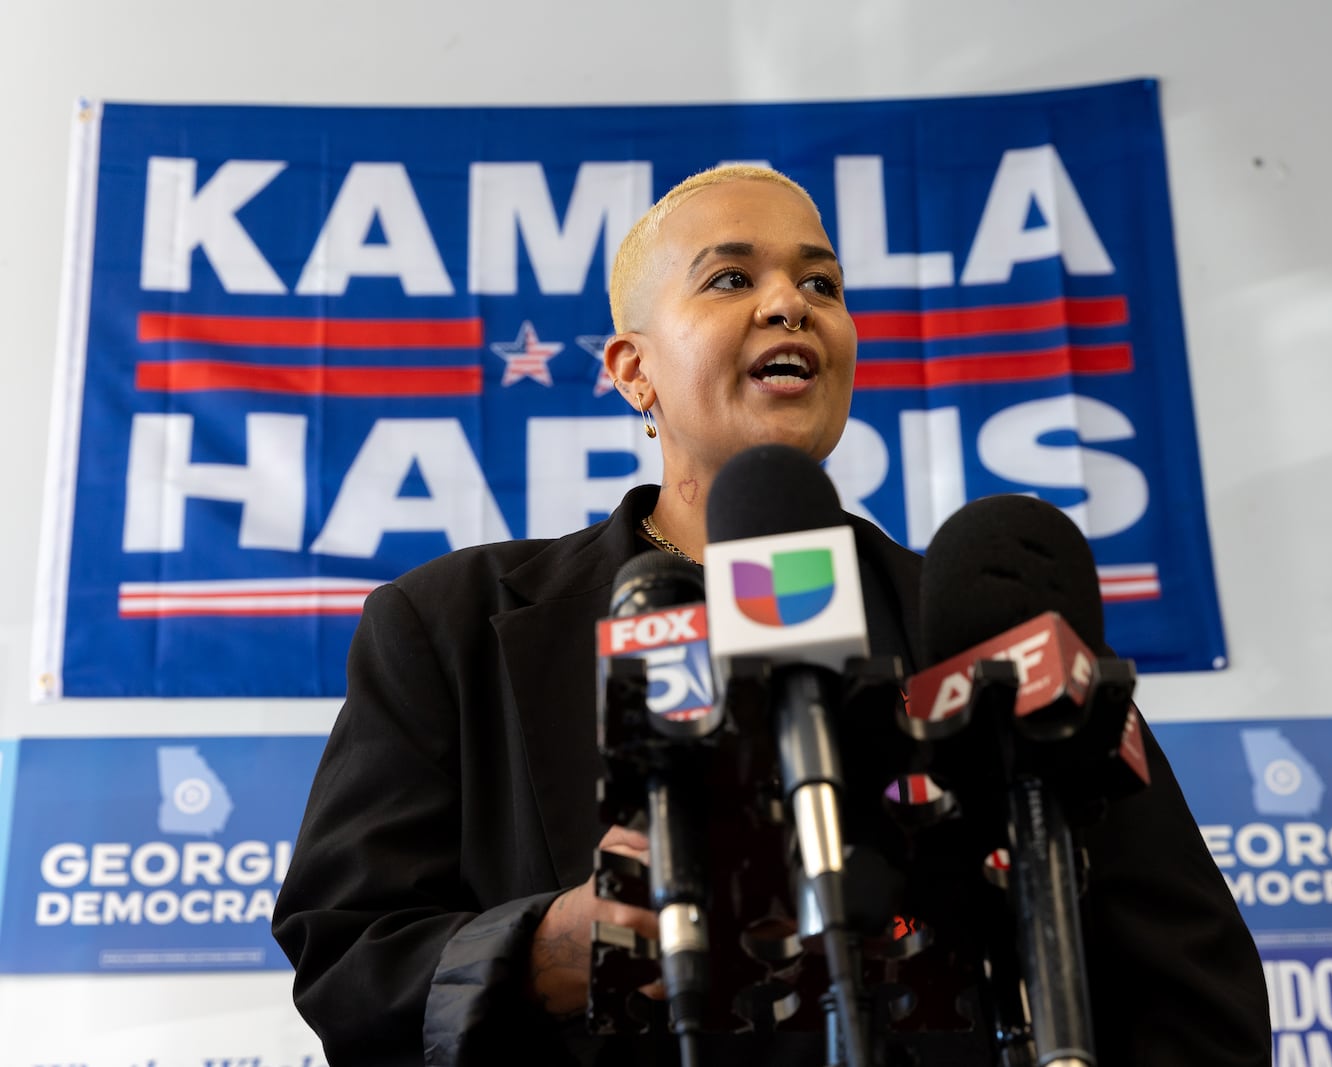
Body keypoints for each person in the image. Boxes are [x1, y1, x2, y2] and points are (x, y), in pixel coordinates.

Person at [272, 165, 1270, 1066]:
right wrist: (552, 949)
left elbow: (1192, 992)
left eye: (821, 285)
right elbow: (351, 963)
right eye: (730, 278)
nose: (790, 304)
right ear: (632, 370)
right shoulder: (448, 625)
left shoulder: (986, 621)